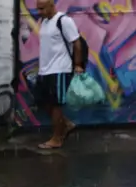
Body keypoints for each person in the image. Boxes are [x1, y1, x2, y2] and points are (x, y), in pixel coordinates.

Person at [35, 0, 86, 149]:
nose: (39, 12)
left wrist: (77, 65)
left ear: (52, 5)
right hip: (45, 70)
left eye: (42, 8)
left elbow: (76, 43)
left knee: (56, 104)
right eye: (38, 9)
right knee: (43, 101)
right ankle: (66, 124)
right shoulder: (44, 22)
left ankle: (57, 139)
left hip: (60, 69)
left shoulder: (64, 21)